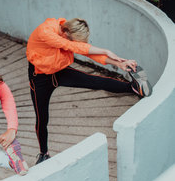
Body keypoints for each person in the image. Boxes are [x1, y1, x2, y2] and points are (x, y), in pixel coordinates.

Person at [26, 18, 152, 165]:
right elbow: (71, 46)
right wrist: (106, 50)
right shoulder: (46, 31)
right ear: (65, 32)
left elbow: (88, 52)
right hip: (39, 79)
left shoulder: (68, 32)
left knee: (94, 81)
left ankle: (133, 87)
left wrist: (119, 63)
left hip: (59, 71)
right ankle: (43, 153)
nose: (75, 45)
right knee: (42, 119)